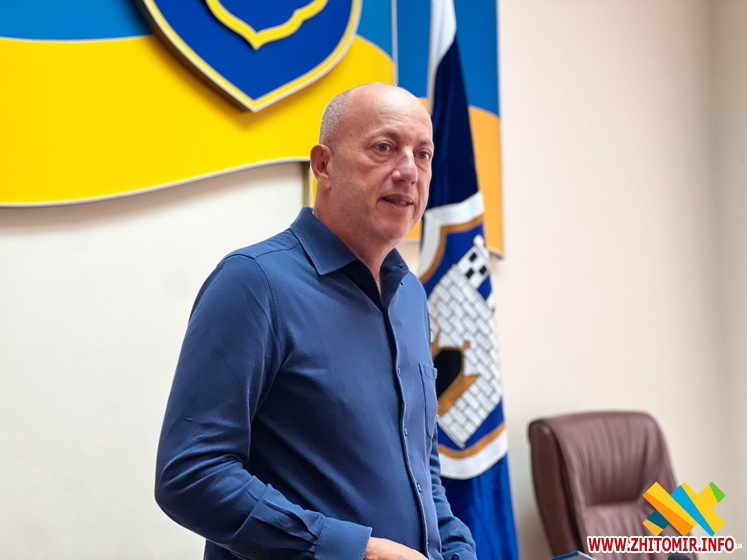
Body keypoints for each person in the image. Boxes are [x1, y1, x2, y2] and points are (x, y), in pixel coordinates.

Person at [155, 83, 477, 560]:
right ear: (323, 165)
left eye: (423, 154)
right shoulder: (254, 282)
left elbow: (420, 469)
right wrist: (355, 551)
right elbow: (191, 474)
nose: (409, 171)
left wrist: (456, 549)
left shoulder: (409, 294)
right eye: (384, 147)